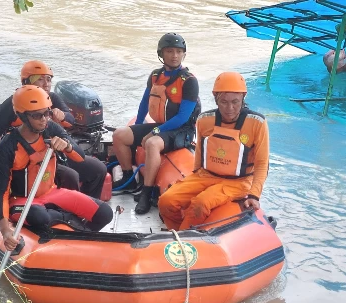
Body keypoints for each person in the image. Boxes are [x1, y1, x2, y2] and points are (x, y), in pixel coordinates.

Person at [0, 86, 113, 250]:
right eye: (37, 115)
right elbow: (1, 191)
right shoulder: (8, 145)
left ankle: (77, 236)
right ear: (22, 115)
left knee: (105, 213)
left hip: (51, 192)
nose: (44, 119)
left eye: (47, 113)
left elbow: (79, 157)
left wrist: (67, 146)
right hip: (22, 201)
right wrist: (5, 229)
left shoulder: (52, 129)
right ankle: (68, 223)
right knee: (40, 216)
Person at [0, 60, 107, 199]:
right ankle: (65, 211)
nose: (46, 84)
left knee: (98, 169)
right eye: (40, 79)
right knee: (70, 176)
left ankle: (87, 211)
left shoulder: (52, 98)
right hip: (26, 159)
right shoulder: (13, 104)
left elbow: (71, 120)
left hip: (53, 153)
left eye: (49, 79)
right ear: (26, 82)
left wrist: (62, 116)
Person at [158, 72, 269, 231]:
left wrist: (254, 195)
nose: (229, 108)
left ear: (243, 98)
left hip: (238, 182)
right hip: (206, 175)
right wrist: (195, 176)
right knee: (166, 201)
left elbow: (262, 162)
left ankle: (182, 238)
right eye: (223, 102)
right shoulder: (205, 119)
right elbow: (200, 152)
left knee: (200, 203)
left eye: (235, 102)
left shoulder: (257, 123)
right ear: (216, 98)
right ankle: (176, 231)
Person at [111, 33, 200, 215]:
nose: (174, 55)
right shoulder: (155, 76)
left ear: (184, 54)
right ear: (162, 53)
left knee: (152, 143)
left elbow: (183, 117)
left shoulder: (189, 81)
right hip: (163, 125)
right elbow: (144, 103)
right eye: (170, 51)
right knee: (119, 134)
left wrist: (156, 131)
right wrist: (136, 126)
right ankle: (129, 178)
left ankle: (147, 192)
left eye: (178, 51)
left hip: (182, 130)